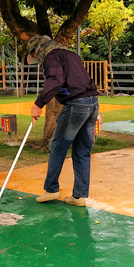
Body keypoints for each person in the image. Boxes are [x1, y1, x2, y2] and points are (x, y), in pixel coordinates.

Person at [27, 35, 99, 207]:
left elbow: (56, 80)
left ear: (38, 49)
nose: (37, 59)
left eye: (35, 55)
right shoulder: (71, 55)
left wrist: (38, 103)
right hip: (92, 102)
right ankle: (79, 196)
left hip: (76, 104)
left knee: (58, 146)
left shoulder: (51, 56)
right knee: (82, 150)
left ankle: (51, 189)